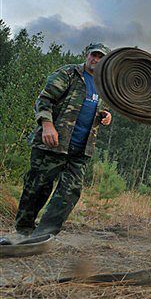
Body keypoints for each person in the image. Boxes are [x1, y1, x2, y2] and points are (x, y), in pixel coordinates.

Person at [14, 43, 112, 237]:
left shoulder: (103, 85)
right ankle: (23, 231)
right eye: (94, 55)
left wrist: (106, 116)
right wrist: (47, 125)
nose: (96, 60)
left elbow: (99, 108)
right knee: (38, 187)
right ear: (87, 54)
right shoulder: (69, 73)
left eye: (101, 58)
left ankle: (44, 234)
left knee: (70, 192)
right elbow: (45, 99)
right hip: (53, 143)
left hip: (82, 148)